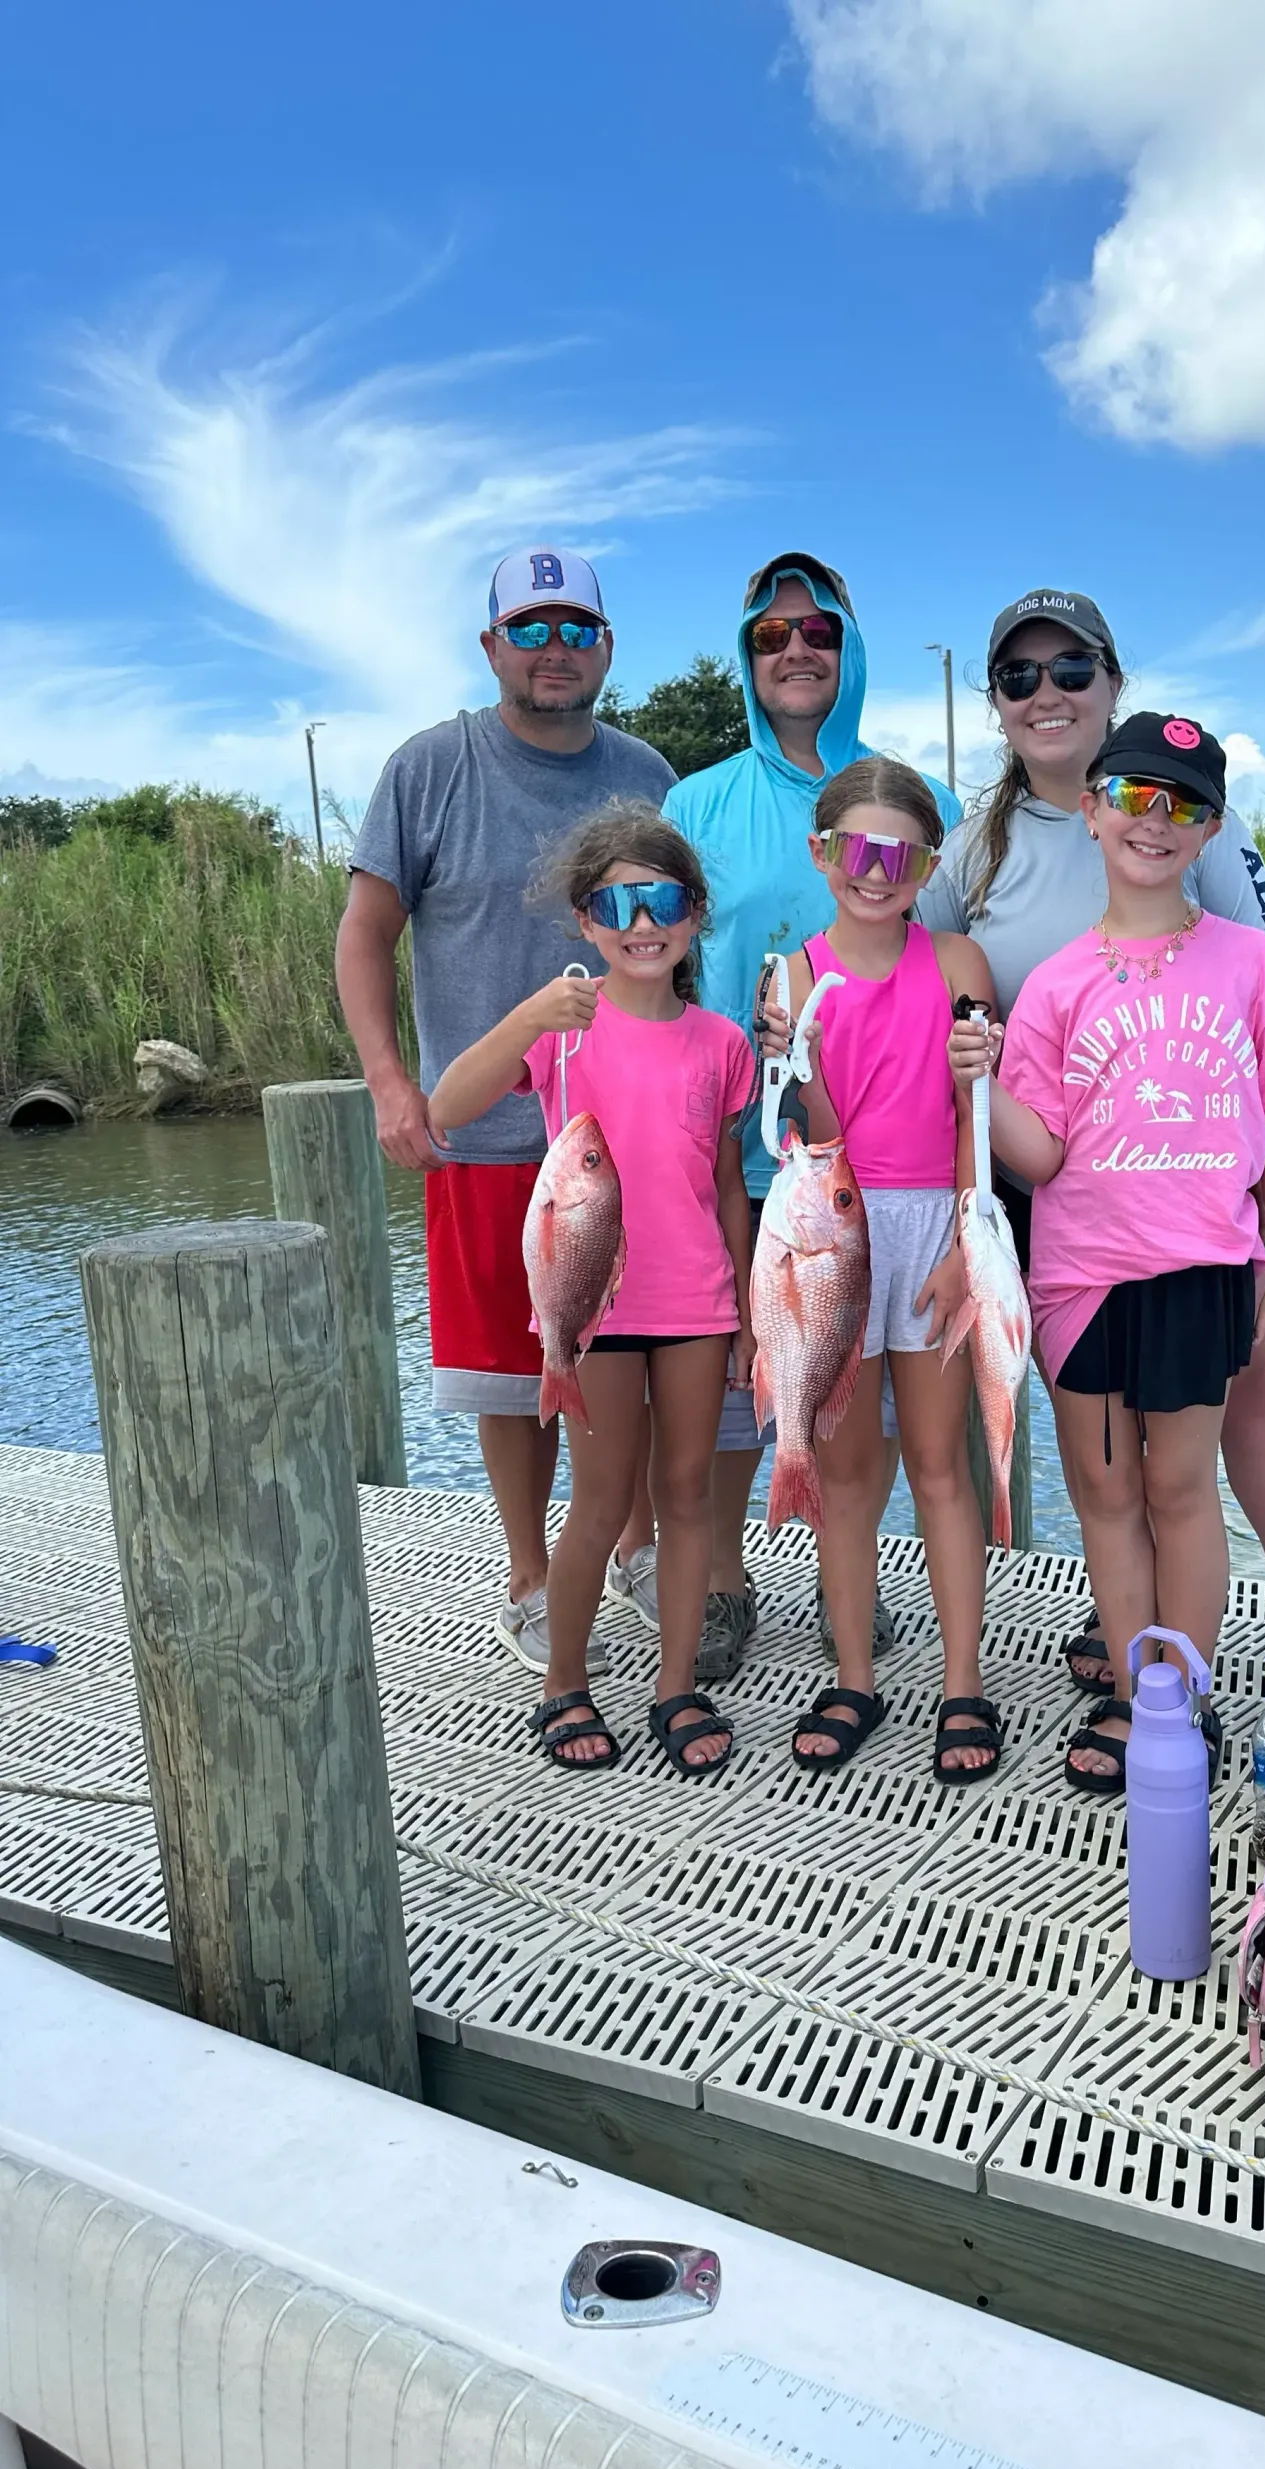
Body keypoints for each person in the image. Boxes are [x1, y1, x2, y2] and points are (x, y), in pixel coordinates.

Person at [918, 589, 1265, 1698]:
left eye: (1072, 672)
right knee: (1112, 1470)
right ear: (998, 702)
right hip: (1057, 1195)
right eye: (1019, 678)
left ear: (1112, 687)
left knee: (1244, 1402)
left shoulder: (1208, 831)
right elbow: (897, 963)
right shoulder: (973, 846)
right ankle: (1139, 1644)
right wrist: (800, 1008)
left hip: (1204, 1196)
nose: (1046, 694)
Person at [337, 548, 675, 1672]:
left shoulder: (646, 771)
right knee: (513, 1374)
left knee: (632, 1354)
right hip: (488, 1137)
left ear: (607, 647)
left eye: (576, 629)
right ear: (492, 648)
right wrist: (393, 1084)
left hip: (631, 1136)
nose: (555, 651)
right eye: (530, 630)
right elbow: (365, 936)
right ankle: (530, 1574)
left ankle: (630, 1545)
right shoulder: (429, 768)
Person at [655, 553, 962, 1681]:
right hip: (732, 1145)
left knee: (860, 1393)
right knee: (744, 1386)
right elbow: (660, 960)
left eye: (816, 632)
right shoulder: (694, 802)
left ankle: (857, 1590)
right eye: (771, 636)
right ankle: (727, 1584)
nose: (795, 651)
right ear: (747, 655)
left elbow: (952, 976)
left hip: (881, 1164)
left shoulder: (919, 800)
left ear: (849, 647)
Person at [427, 809, 753, 1776]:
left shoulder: (722, 1043)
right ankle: (564, 1683)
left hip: (698, 1307)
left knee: (688, 1495)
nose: (642, 921)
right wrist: (529, 1015)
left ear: (694, 916)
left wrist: (745, 1319)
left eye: (663, 900)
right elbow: (446, 1109)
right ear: (584, 920)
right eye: (618, 901)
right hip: (594, 1310)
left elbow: (728, 1187)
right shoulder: (565, 1030)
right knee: (602, 1503)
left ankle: (675, 1682)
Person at [761, 758, 1001, 1781]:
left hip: (935, 1228)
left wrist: (959, 1244)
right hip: (838, 1229)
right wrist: (797, 1070)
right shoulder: (794, 977)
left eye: (900, 854)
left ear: (928, 863)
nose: (877, 871)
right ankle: (854, 1673)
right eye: (857, 850)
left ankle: (962, 1683)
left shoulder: (960, 963)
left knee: (944, 1469)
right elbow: (808, 1147)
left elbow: (973, 1126)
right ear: (824, 855)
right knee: (850, 1474)